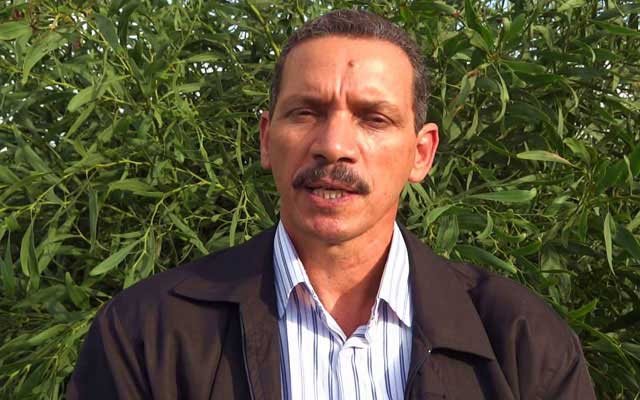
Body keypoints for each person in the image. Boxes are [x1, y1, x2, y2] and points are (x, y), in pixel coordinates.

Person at [67, 9, 596, 400]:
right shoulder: (146, 333)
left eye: (373, 118)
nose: (334, 145)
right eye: (306, 112)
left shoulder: (522, 342)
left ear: (421, 154)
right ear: (266, 139)